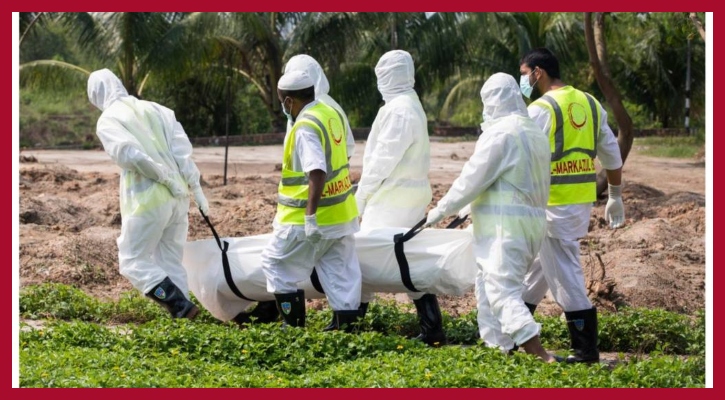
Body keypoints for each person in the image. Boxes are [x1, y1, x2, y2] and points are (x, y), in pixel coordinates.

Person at [425, 73, 555, 362]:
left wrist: (439, 211)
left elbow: (472, 178)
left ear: (494, 101)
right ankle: (498, 350)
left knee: (502, 293)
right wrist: (467, 209)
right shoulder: (533, 131)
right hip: (527, 225)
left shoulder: (501, 133)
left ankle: (540, 355)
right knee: (486, 289)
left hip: (505, 229)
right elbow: (511, 179)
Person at [517, 48, 625, 363]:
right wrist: (615, 194)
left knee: (565, 277)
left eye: (524, 73)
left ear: (538, 72)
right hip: (578, 205)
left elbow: (518, 156)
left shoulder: (540, 109)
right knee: (539, 270)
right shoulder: (591, 104)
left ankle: (585, 350)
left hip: (552, 208)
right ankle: (513, 332)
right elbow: (612, 155)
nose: (523, 80)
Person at [87, 68, 209, 319]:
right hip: (179, 198)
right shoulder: (159, 110)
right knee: (171, 260)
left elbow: (129, 155)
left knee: (132, 260)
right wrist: (195, 189)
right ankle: (185, 319)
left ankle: (178, 305)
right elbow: (182, 152)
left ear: (96, 95)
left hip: (148, 200)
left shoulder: (108, 119)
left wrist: (163, 178)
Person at [355, 49, 446, 347]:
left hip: (390, 199)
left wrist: (361, 195)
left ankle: (351, 322)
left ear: (389, 76)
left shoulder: (399, 110)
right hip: (405, 198)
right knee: (405, 261)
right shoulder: (408, 104)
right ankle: (431, 326)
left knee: (364, 257)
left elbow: (382, 160)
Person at [260, 70, 362, 332]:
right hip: (341, 216)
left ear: (289, 101)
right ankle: (347, 330)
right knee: (340, 272)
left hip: (306, 220)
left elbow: (316, 170)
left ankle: (292, 329)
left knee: (275, 264)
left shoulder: (304, 126)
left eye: (283, 100)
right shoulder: (330, 114)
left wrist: (310, 216)